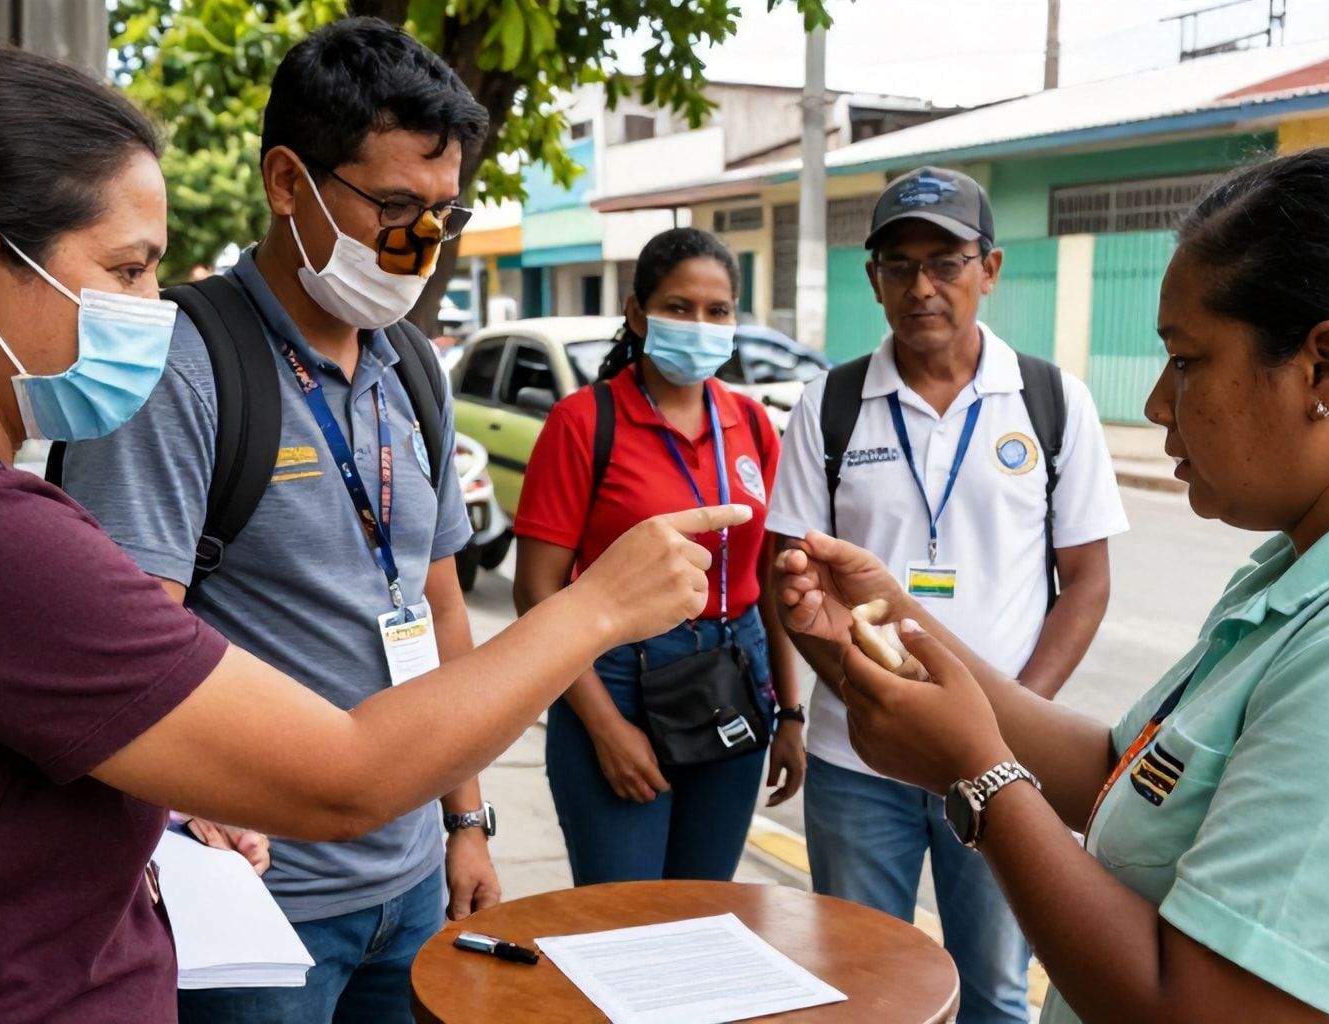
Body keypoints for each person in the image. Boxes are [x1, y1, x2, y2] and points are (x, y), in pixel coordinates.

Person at [0, 46, 744, 1023]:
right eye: (129, 270)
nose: (151, 308)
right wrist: (596, 608)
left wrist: (441, 820)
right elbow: (345, 776)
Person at [777, 145, 1329, 1023]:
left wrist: (976, 774)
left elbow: (1199, 1009)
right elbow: (1121, 772)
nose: (1158, 403)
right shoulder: (1319, 562)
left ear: (1325, 368)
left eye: (1187, 360)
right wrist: (898, 626)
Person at [57, 19, 499, 1021]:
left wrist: (466, 819)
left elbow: (438, 610)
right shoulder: (183, 368)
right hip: (256, 903)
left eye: (443, 213)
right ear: (288, 183)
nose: (421, 244)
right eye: (395, 207)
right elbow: (123, 652)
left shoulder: (412, 366)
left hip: (411, 884)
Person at [764, 165, 1127, 1022]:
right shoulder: (830, 403)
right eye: (899, 265)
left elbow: (1086, 582)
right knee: (860, 986)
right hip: (858, 759)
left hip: (998, 761)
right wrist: (869, 695)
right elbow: (790, 581)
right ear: (873, 279)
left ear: (989, 269)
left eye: (946, 262)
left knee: (996, 990)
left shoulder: (1051, 400)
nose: (922, 286)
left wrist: (1006, 718)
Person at [512, 227, 806, 884]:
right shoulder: (584, 422)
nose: (699, 325)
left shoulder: (752, 423)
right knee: (625, 913)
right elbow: (535, 593)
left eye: (717, 311)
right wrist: (605, 729)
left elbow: (770, 577)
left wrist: (789, 712)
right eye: (679, 307)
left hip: (733, 674)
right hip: (617, 678)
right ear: (638, 313)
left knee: (704, 907)